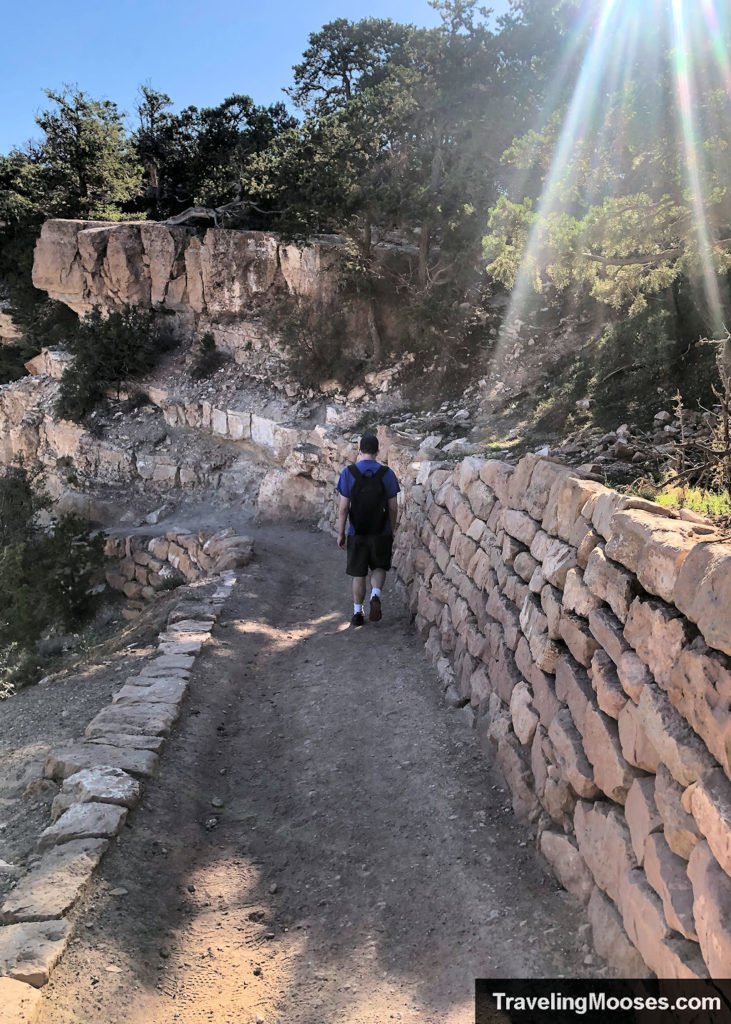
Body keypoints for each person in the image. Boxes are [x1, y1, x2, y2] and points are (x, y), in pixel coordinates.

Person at [336, 433, 400, 628]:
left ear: (359, 450)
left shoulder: (349, 473)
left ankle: (357, 613)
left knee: (359, 573)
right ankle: (375, 595)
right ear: (378, 451)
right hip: (381, 530)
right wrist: (392, 528)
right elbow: (393, 507)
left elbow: (343, 508)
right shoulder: (387, 474)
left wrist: (341, 532)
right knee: (379, 567)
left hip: (357, 531)